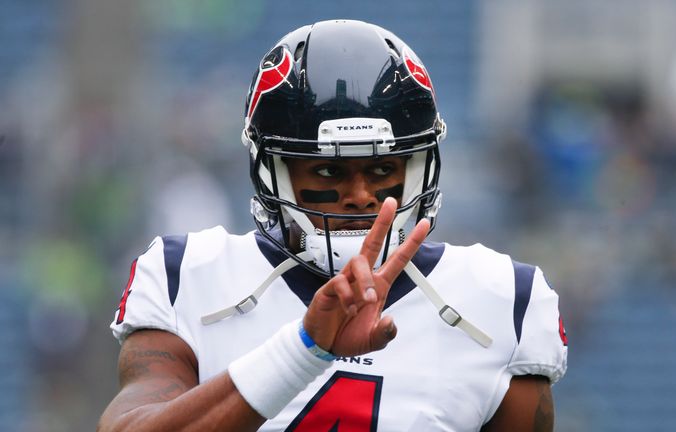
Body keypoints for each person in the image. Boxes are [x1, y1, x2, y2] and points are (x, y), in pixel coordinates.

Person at [98, 19, 567, 431]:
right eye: (327, 171)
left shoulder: (502, 299)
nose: (361, 195)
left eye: (383, 169)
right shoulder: (187, 275)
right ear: (272, 171)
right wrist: (306, 350)